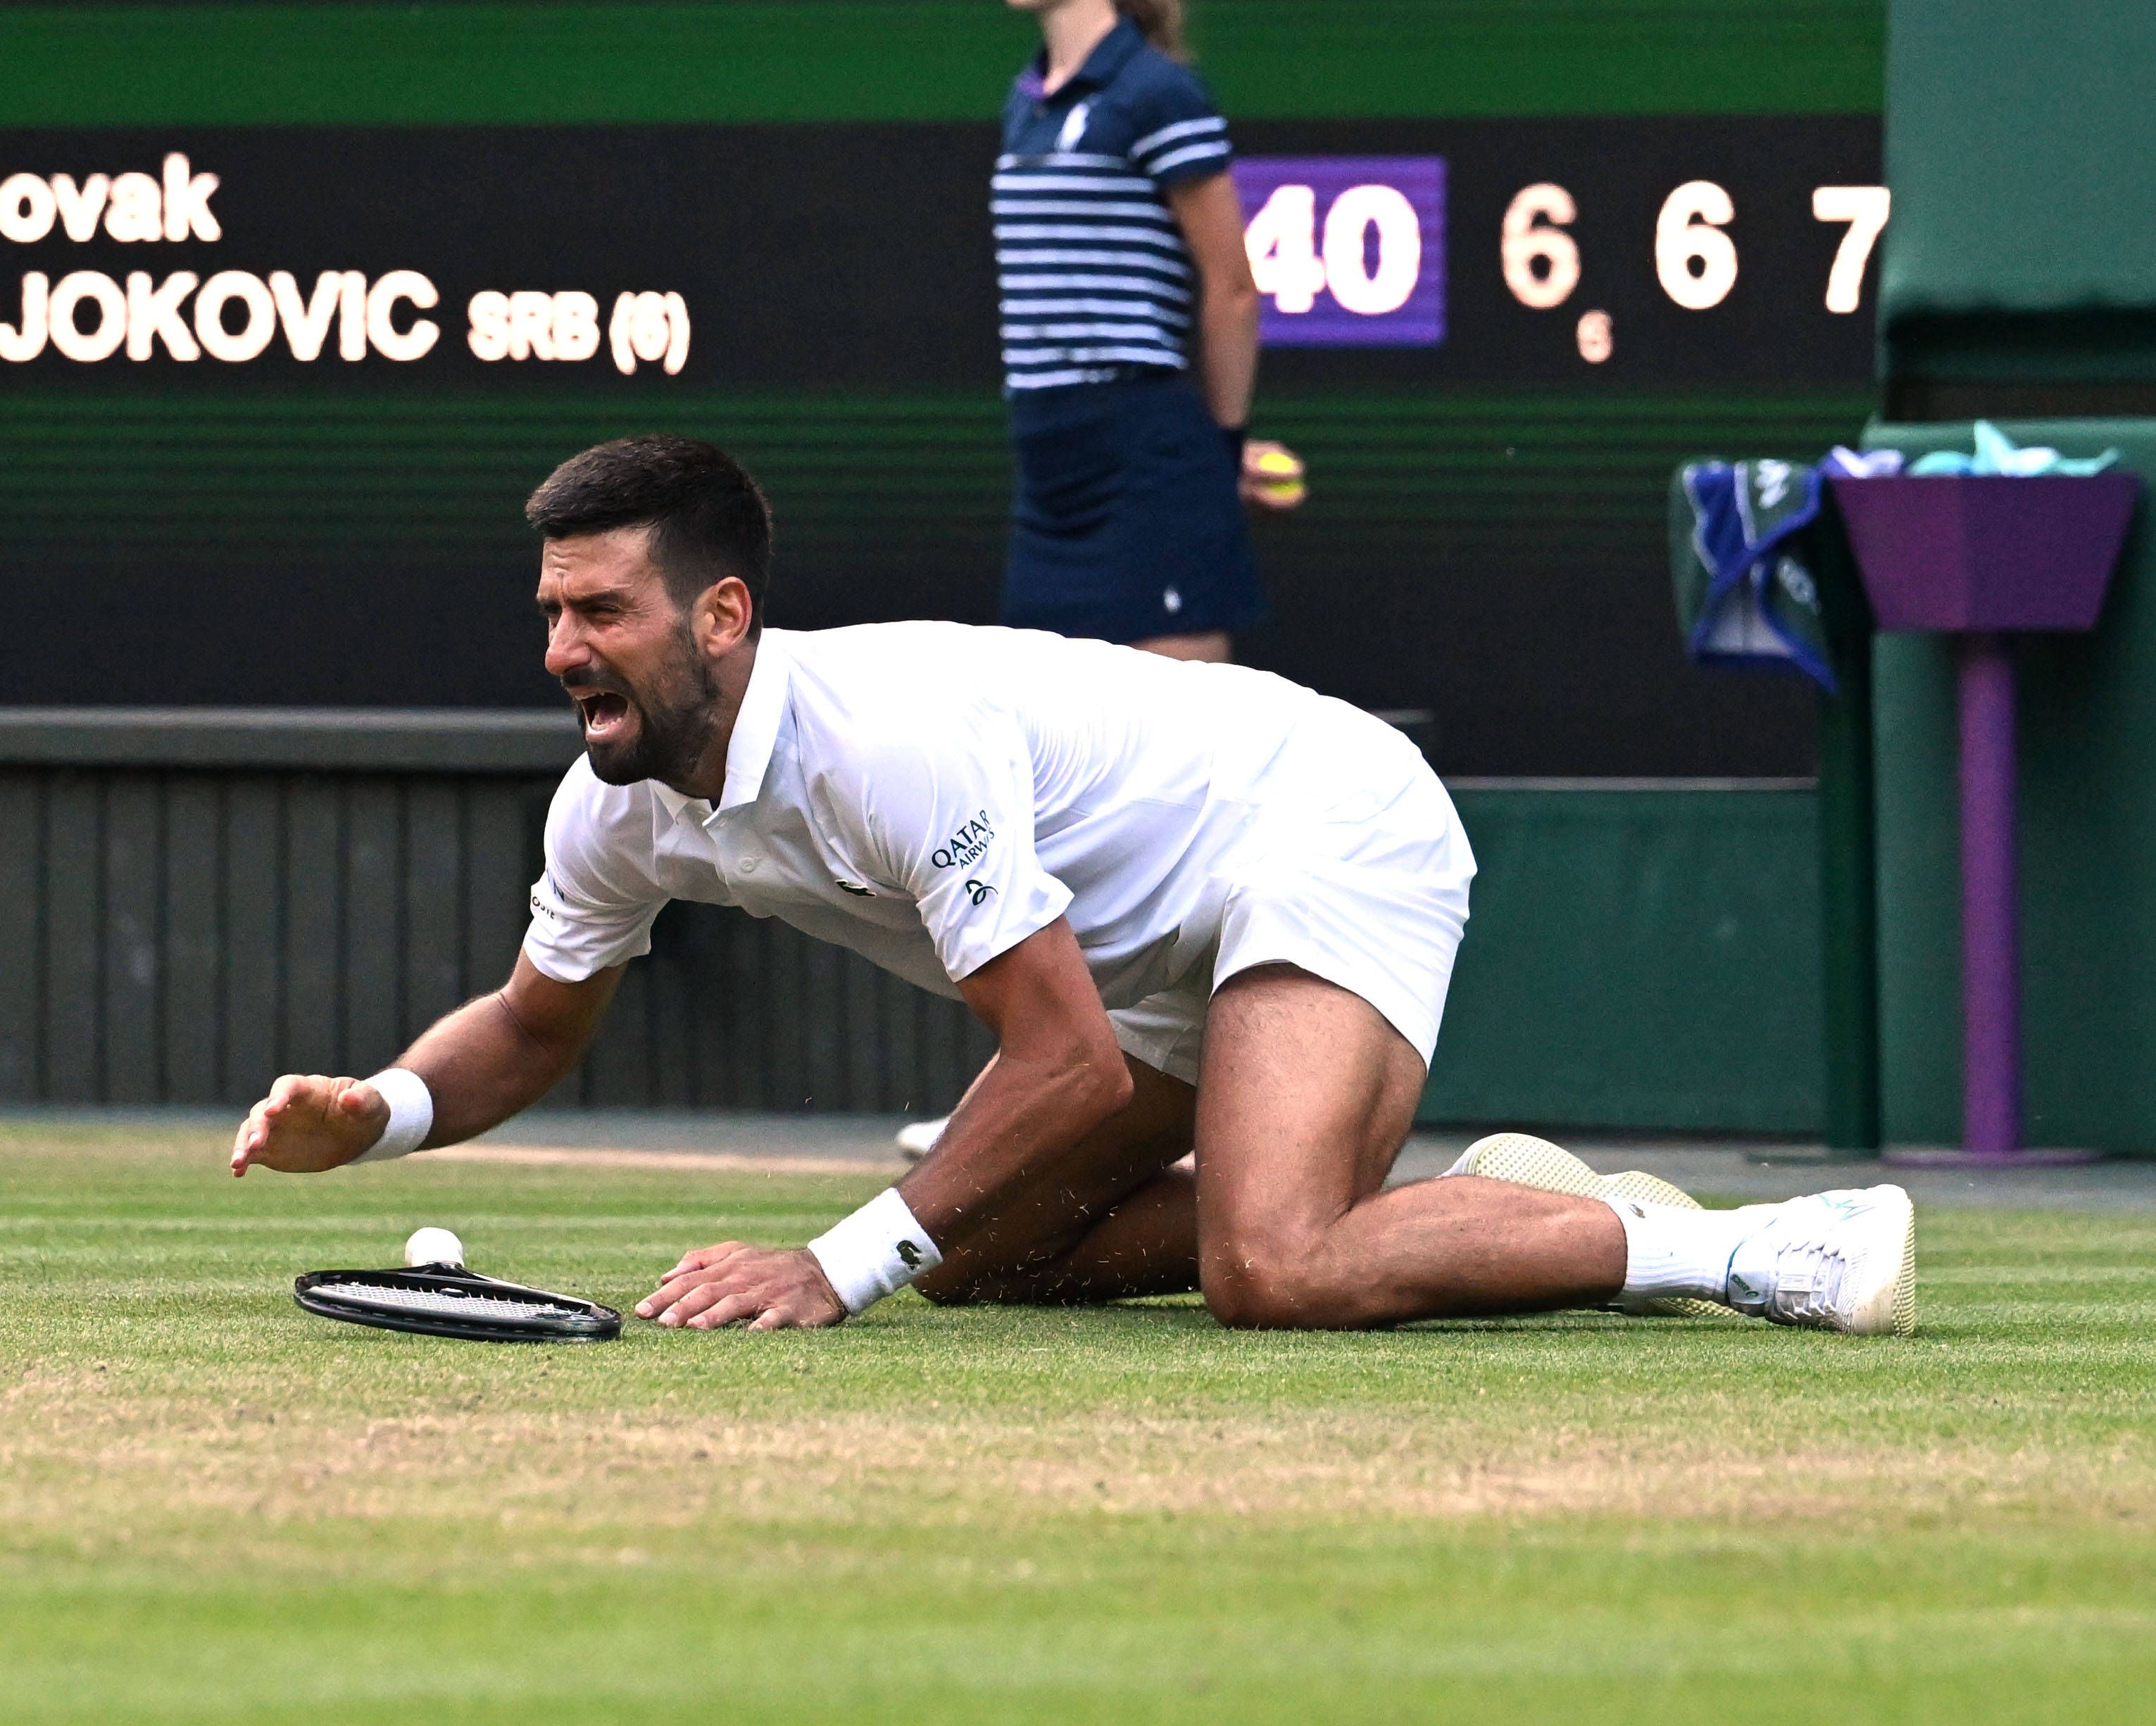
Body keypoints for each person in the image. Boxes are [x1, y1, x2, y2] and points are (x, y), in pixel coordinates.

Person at [230, 436, 1918, 1339]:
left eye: (600, 611)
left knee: (1272, 1268)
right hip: (1154, 936)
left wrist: (831, 1262)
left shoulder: (888, 739)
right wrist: (372, 1112)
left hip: (1310, 819)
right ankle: (1483, 1215)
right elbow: (532, 1026)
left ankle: (1746, 1250)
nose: (560, 649)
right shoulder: (619, 806)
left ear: (722, 618)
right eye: (552, 612)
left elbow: (1071, 1064)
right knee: (981, 1255)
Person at [952, 0, 1304, 667]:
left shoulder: (1159, 94)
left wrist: (1221, 454)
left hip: (1146, 456)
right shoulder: (1025, 100)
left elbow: (1233, 288)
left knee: (1184, 757)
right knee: (1047, 756)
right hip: (1045, 456)